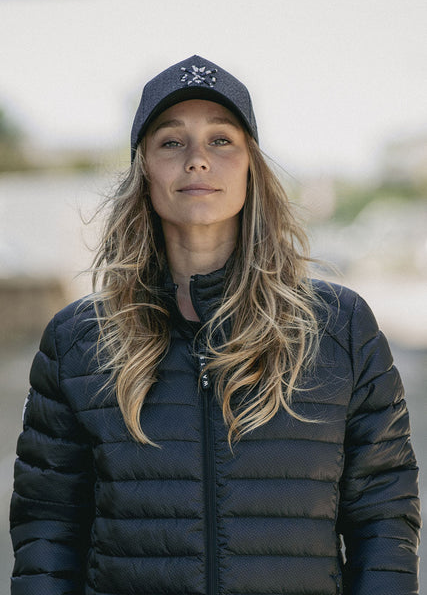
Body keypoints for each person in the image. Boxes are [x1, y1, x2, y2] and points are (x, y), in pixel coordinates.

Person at [10, 55, 421, 595]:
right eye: (171, 142)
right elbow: (47, 529)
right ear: (144, 172)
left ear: (252, 166)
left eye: (221, 140)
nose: (197, 160)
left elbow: (384, 518)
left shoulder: (339, 326)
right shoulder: (78, 339)